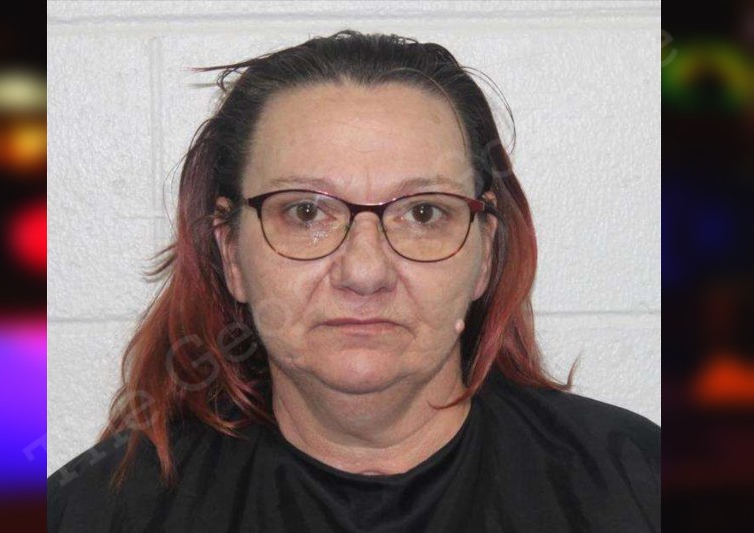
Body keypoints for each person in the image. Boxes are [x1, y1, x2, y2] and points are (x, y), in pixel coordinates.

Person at [47, 30, 660, 532]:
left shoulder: (639, 486)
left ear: (485, 255)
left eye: (424, 213)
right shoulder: (97, 511)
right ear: (231, 254)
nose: (364, 272)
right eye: (305, 212)